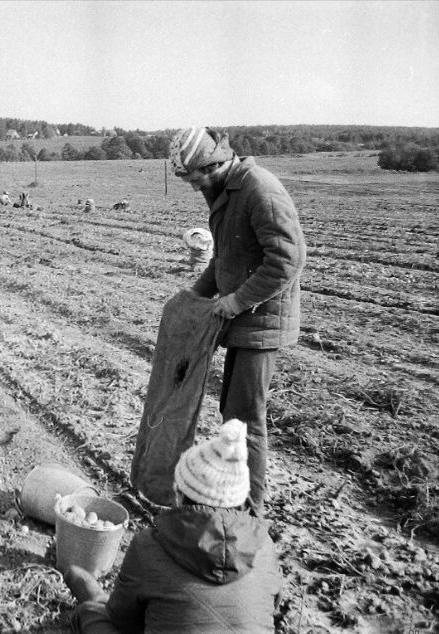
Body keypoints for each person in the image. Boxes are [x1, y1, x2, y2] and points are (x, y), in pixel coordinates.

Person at [170, 126, 306, 517]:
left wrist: (235, 302)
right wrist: (194, 295)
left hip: (261, 320)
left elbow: (288, 260)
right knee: (232, 412)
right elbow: (223, 259)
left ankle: (249, 511)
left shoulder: (259, 189)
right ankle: (234, 499)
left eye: (195, 178)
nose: (194, 186)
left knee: (245, 419)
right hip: (243, 319)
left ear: (212, 164)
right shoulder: (227, 192)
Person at [65, 420, 283, 633]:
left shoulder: (149, 545)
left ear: (179, 493)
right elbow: (272, 611)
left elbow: (123, 621)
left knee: (89, 613)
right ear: (241, 500)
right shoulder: (266, 547)